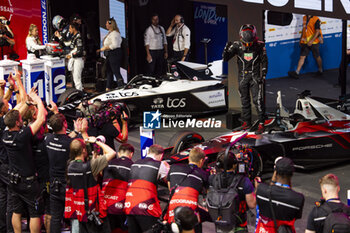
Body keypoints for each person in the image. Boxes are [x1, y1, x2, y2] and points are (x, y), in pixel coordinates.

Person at [3, 90, 47, 233]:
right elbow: (41, 119)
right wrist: (38, 100)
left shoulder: (5, 134)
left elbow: (14, 115)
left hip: (13, 181)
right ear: (18, 122)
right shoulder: (22, 136)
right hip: (28, 183)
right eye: (20, 119)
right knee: (34, 213)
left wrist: (27, 103)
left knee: (16, 211)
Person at [45, 103, 84, 233]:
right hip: (68, 185)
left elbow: (64, 137)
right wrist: (79, 132)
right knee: (74, 216)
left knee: (56, 218)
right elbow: (76, 144)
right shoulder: (70, 143)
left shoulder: (48, 139)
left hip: (53, 184)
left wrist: (76, 132)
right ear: (65, 125)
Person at [222, 24, 268, 134]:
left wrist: (264, 74)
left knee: (257, 101)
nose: (247, 45)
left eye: (250, 43)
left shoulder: (260, 45)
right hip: (242, 77)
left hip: (255, 77)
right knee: (244, 101)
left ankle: (262, 123)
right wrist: (226, 49)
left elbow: (264, 60)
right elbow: (225, 59)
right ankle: (247, 123)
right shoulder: (236, 46)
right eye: (245, 43)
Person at [65, 136, 116, 233]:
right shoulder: (91, 166)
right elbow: (112, 153)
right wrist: (96, 141)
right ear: (84, 150)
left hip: (80, 211)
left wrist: (94, 156)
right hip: (94, 210)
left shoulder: (69, 166)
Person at [124, 144, 170, 233]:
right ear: (161, 156)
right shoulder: (160, 164)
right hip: (146, 208)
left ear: (148, 152)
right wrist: (167, 168)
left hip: (130, 206)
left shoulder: (134, 163)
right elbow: (168, 181)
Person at [209, 150, 256, 233]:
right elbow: (252, 204)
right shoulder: (244, 181)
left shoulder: (212, 179)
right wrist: (257, 188)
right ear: (235, 165)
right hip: (239, 225)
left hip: (220, 223)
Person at [255, 157, 304, 232]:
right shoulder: (298, 199)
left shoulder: (261, 190)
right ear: (292, 173)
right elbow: (295, 217)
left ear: (275, 172)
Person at [166, 147, 208, 233]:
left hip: (173, 209)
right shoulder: (203, 174)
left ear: (189, 158)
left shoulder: (174, 167)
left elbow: (171, 188)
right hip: (190, 212)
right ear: (201, 161)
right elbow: (207, 192)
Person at [100, 143, 134, 232]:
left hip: (105, 204)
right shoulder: (133, 166)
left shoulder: (108, 163)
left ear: (119, 153)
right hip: (121, 206)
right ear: (131, 154)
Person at [0, 76, 15, 233]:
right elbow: (21, 108)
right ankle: (11, 229)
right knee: (11, 198)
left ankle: (2, 227)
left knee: (2, 196)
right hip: (5, 164)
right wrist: (15, 87)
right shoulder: (4, 122)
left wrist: (8, 89)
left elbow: (2, 102)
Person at [97, 18, 124, 91]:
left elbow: (115, 45)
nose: (105, 25)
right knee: (109, 71)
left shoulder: (115, 34)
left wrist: (104, 48)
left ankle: (121, 87)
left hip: (114, 53)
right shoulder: (110, 33)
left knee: (116, 71)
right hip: (110, 54)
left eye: (107, 23)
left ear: (110, 24)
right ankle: (108, 88)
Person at [56, 22, 84, 90]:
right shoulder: (74, 37)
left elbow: (80, 52)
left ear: (74, 28)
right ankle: (79, 94)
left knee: (77, 80)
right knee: (75, 79)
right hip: (75, 60)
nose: (69, 30)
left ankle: (81, 96)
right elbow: (66, 44)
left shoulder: (78, 37)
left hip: (78, 60)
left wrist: (71, 55)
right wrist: (59, 37)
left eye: (70, 28)